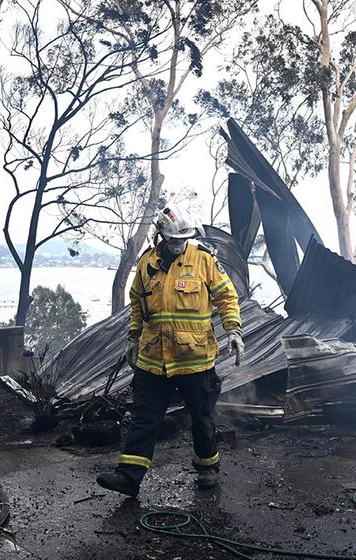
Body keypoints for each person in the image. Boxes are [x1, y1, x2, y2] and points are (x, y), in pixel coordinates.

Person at [96, 207, 245, 497]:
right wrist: (133, 338)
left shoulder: (204, 260)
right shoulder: (146, 264)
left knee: (201, 417)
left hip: (195, 359)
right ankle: (129, 477)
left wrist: (234, 331)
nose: (179, 245)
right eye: (174, 239)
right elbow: (137, 305)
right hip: (153, 360)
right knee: (144, 417)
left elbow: (227, 297)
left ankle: (207, 468)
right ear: (160, 235)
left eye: (183, 239)